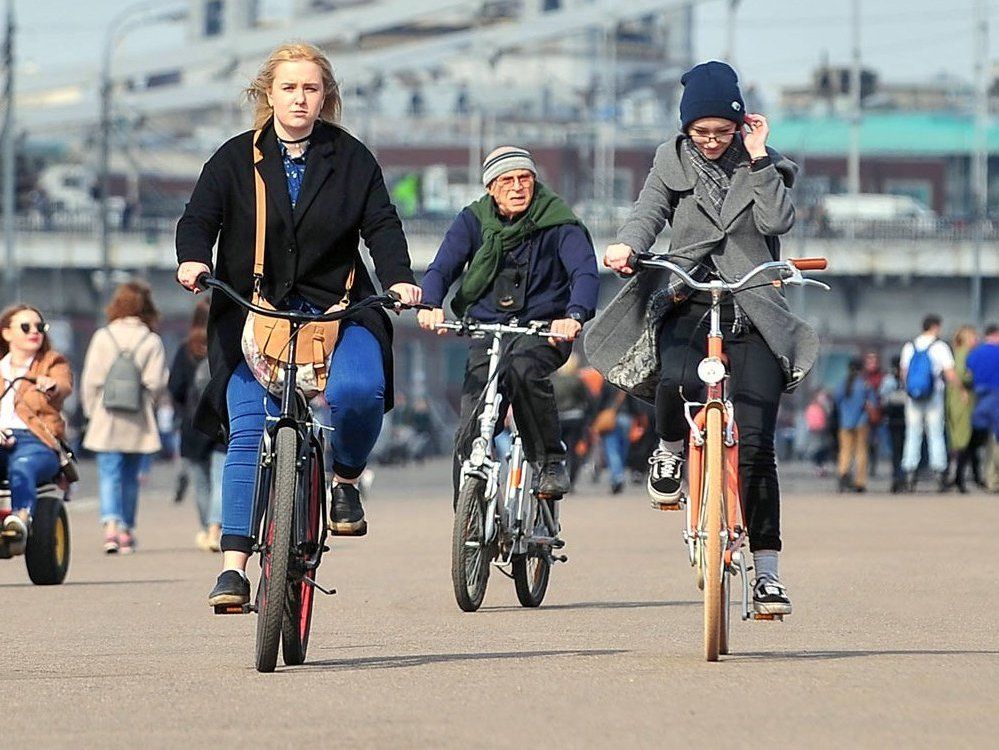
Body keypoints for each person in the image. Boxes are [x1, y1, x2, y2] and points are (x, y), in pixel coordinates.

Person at [175, 43, 422, 607]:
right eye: (289, 88)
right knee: (244, 431)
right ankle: (234, 567)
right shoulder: (234, 159)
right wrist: (193, 258)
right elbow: (199, 219)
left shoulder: (352, 158)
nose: (300, 98)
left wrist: (400, 278)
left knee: (358, 393)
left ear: (325, 97)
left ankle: (346, 482)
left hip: (339, 307)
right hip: (252, 314)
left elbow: (381, 224)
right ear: (268, 94)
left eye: (311, 88)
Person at [593, 60, 816, 615]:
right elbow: (648, 213)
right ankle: (668, 453)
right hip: (689, 295)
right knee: (673, 380)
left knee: (759, 446)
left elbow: (775, 223)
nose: (712, 142)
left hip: (753, 305)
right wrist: (627, 246)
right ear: (685, 129)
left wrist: (761, 157)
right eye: (701, 132)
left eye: (722, 131)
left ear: (741, 125)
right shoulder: (670, 161)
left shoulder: (766, 165)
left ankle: (767, 574)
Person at [417, 146, 599, 501]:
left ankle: (549, 460)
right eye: (507, 181)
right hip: (490, 331)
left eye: (525, 179)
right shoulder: (472, 220)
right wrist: (429, 303)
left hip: (544, 330)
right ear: (490, 187)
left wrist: (573, 315)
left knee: (524, 372)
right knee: (471, 426)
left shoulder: (558, 220)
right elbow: (442, 267)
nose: (517, 187)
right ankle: (467, 521)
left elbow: (584, 272)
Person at [81, 281, 168, 554]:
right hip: (137, 418)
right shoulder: (151, 340)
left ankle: (110, 529)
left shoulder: (103, 336)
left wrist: (92, 411)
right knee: (131, 477)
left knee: (109, 473)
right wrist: (146, 405)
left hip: (106, 416)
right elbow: (157, 382)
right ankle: (127, 531)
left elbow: (91, 379)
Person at [0, 305, 73, 553]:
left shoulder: (52, 362)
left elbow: (63, 385)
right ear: (7, 333)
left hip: (36, 442)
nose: (34, 332)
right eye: (26, 327)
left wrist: (50, 385)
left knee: (22, 465)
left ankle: (20, 520)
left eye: (39, 327)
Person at [167, 299, 223, 550]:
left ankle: (206, 528)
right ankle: (216, 528)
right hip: (225, 422)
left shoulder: (185, 350)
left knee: (201, 482)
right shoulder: (227, 347)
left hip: (193, 425)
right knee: (222, 479)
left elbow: (175, 388)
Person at [899, 314, 960, 492]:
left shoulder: (910, 346)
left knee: (912, 433)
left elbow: (904, 373)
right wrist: (960, 390)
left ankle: (910, 472)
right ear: (936, 327)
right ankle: (939, 472)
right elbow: (949, 373)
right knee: (935, 434)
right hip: (934, 396)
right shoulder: (940, 347)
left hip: (913, 396)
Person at [946, 325, 985, 493]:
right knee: (963, 440)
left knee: (966, 440)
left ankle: (970, 476)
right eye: (974, 337)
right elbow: (961, 376)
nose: (976, 340)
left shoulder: (957, 353)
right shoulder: (964, 354)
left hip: (958, 400)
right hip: (963, 402)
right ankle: (959, 479)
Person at [835, 358, 877, 493]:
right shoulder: (864, 384)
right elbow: (873, 403)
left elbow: (837, 401)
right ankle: (860, 482)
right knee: (861, 452)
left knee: (845, 451)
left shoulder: (843, 383)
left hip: (845, 422)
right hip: (861, 422)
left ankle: (843, 475)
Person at [967, 324, 999, 491]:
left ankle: (987, 478)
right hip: (997, 400)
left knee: (984, 442)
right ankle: (994, 480)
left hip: (980, 400)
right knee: (996, 442)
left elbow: (969, 375)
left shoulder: (974, 354)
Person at [879, 356, 908, 493]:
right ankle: (903, 477)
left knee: (895, 452)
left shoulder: (888, 380)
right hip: (906, 420)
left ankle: (896, 477)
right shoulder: (906, 379)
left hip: (892, 421)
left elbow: (883, 400)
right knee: (904, 451)